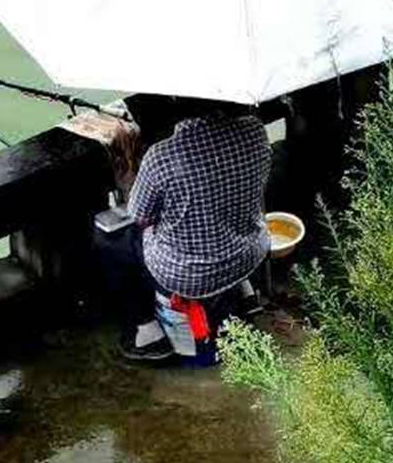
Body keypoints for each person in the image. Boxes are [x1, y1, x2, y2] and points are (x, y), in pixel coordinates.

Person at [94, 94, 271, 364]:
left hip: (188, 278)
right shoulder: (253, 131)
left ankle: (146, 332)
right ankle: (245, 293)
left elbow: (140, 217)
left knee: (110, 236)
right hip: (248, 255)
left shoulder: (160, 157)